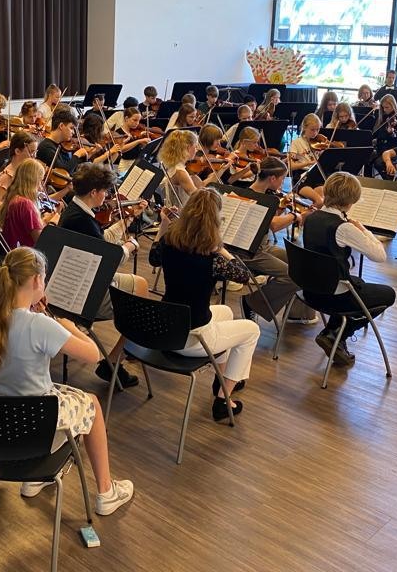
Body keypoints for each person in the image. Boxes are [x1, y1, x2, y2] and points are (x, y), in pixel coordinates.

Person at [0, 246, 134, 515]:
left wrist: (40, 316)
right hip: (35, 426)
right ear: (36, 280)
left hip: (1, 422)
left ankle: (34, 479)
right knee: (93, 405)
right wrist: (69, 327)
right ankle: (106, 492)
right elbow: (94, 355)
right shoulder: (40, 325)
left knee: (61, 395)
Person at [148, 190, 259, 421]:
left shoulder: (169, 243)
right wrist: (221, 249)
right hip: (191, 339)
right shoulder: (214, 259)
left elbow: (153, 258)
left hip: (166, 328)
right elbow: (244, 275)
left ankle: (221, 378)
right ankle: (223, 401)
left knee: (225, 311)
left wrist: (164, 225)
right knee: (252, 330)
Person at [59, 163, 148, 388]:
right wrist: (130, 246)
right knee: (139, 307)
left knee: (140, 285)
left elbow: (102, 241)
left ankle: (117, 358)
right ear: (94, 192)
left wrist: (127, 220)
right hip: (81, 293)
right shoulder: (81, 220)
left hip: (83, 280)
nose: (107, 196)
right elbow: (110, 259)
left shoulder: (76, 211)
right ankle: (113, 362)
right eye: (105, 191)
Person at [302, 172, 395, 366]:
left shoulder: (311, 217)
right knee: (388, 294)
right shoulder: (343, 228)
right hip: (333, 296)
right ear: (351, 201)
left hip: (310, 290)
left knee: (358, 282)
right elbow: (380, 256)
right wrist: (363, 230)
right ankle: (336, 334)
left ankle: (334, 331)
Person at [238, 157, 317, 325]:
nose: (283, 183)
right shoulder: (253, 197)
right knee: (292, 277)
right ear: (272, 178)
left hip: (264, 246)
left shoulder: (266, 195)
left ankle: (296, 313)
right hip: (249, 251)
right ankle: (251, 302)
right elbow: (273, 225)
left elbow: (270, 220)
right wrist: (296, 215)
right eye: (282, 178)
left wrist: (282, 207)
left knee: (304, 263)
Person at [159, 129, 228, 208]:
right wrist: (220, 199)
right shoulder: (180, 172)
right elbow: (197, 197)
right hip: (180, 212)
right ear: (188, 148)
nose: (196, 150)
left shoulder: (177, 165)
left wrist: (222, 169)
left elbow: (201, 185)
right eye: (195, 146)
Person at [0, 160, 59, 248]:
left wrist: (44, 220)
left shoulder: (14, 197)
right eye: (40, 180)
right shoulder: (26, 204)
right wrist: (52, 222)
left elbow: (30, 228)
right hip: (26, 252)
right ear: (33, 181)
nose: (41, 186)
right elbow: (40, 240)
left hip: (15, 248)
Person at [287, 113, 326, 207]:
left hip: (316, 176)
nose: (315, 133)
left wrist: (324, 155)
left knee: (323, 202)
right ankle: (305, 215)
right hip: (301, 177)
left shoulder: (319, 142)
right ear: (304, 127)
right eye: (312, 130)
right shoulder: (296, 143)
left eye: (318, 129)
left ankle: (311, 214)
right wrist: (308, 163)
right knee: (319, 201)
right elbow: (290, 166)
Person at [371, 94, 397, 174]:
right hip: (380, 147)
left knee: (378, 163)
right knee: (366, 158)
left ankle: (389, 179)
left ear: (393, 106)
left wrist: (391, 133)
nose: (384, 110)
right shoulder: (383, 117)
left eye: (387, 107)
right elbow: (376, 134)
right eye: (383, 107)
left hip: (392, 149)